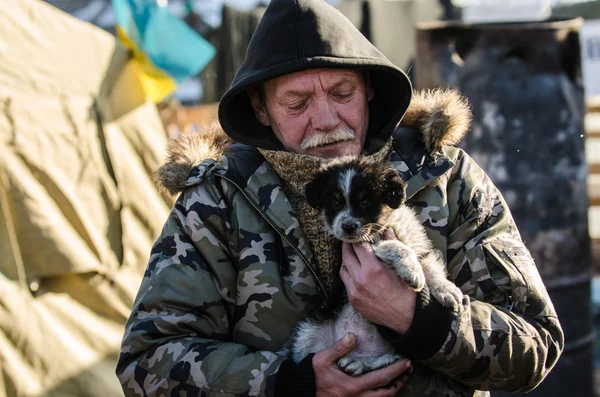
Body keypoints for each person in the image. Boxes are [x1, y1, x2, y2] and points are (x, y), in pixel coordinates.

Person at [116, 0, 564, 396]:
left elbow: (536, 346)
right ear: (260, 108)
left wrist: (420, 319)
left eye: (342, 92)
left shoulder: (446, 178)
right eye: (297, 103)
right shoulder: (217, 199)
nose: (327, 119)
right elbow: (147, 361)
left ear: (369, 87)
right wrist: (292, 382)